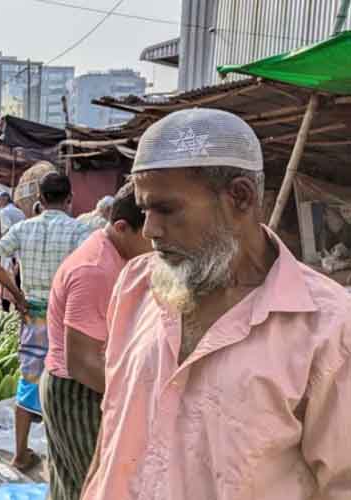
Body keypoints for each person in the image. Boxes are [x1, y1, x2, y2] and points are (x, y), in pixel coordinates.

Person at [81, 108, 351, 500]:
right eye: (144, 211)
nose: (151, 230)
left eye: (166, 209)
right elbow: (114, 426)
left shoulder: (328, 327)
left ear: (239, 196)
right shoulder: (136, 284)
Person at [40, 182, 150, 500]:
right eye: (150, 233)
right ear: (122, 227)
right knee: (89, 485)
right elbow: (82, 362)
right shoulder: (96, 270)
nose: (157, 241)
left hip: (92, 385)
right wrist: (136, 399)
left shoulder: (115, 254)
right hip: (79, 390)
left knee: (74, 483)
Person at [0, 172, 91, 470]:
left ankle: (20, 454)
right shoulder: (79, 232)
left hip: (32, 315)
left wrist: (16, 294)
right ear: (69, 199)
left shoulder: (23, 228)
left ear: (40, 201)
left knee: (28, 379)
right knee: (65, 381)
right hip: (64, 316)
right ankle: (63, 459)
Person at [0, 192, 26, 311]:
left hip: (9, 253)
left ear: (4, 199)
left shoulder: (4, 212)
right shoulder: (20, 212)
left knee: (7, 283)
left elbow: (6, 232)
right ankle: (19, 310)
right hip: (20, 252)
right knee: (19, 283)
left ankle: (5, 310)